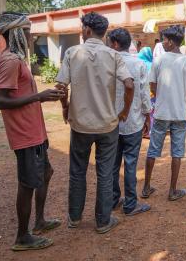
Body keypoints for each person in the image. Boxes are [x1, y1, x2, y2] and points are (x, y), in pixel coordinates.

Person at [56, 12, 135, 234]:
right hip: (107, 125)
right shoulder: (113, 55)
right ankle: (102, 221)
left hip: (80, 124)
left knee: (77, 171)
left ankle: (74, 217)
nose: (81, 32)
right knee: (105, 173)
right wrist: (125, 111)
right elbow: (129, 85)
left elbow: (61, 87)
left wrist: (65, 106)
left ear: (88, 30)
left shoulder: (72, 52)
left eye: (82, 28)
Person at [0, 12, 65, 251]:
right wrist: (38, 96)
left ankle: (40, 221)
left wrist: (41, 98)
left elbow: (19, 95)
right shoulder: (10, 61)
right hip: (24, 134)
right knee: (27, 183)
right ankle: (22, 237)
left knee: (45, 172)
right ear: (16, 33)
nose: (30, 35)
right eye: (26, 31)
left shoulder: (17, 59)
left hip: (35, 131)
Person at [141, 25, 186, 201]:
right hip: (180, 114)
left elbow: (152, 86)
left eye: (164, 40)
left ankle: (146, 187)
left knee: (153, 150)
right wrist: (181, 98)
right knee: (177, 152)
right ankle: (173, 190)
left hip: (161, 113)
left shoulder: (159, 60)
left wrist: (163, 98)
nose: (162, 42)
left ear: (171, 42)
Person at [107, 28, 152, 216]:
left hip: (111, 122)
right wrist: (148, 115)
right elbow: (143, 93)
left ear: (116, 44)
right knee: (131, 163)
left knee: (113, 163)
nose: (107, 45)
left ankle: (113, 199)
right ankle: (131, 203)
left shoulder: (107, 64)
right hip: (133, 121)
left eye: (109, 42)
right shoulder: (139, 64)